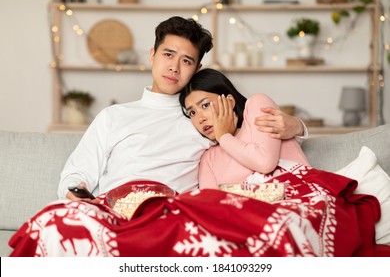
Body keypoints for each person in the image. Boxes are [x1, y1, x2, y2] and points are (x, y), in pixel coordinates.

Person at [58, 16, 306, 200]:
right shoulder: (113, 117)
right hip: (112, 209)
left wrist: (297, 126)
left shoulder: (205, 118)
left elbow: (254, 139)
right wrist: (77, 194)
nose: (174, 67)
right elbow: (76, 174)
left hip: (173, 215)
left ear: (197, 69)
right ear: (152, 55)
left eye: (186, 60)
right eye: (168, 55)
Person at [179, 68, 310, 188]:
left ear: (229, 101)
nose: (200, 118)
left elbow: (265, 163)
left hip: (304, 200)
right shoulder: (209, 159)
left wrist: (224, 137)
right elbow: (211, 205)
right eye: (192, 113)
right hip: (250, 212)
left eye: (205, 105)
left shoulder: (257, 105)